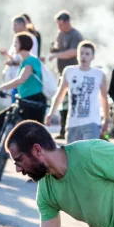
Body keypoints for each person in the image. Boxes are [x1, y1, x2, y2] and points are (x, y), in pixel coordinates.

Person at [0, 32, 48, 168]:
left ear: (23, 44)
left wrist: (1, 88)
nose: (14, 45)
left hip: (34, 102)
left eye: (16, 43)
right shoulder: (24, 61)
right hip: (23, 100)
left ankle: (37, 166)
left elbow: (21, 79)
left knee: (32, 136)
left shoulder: (31, 61)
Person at [47, 41, 108, 143]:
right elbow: (60, 94)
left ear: (92, 56)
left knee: (89, 153)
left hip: (92, 121)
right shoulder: (69, 71)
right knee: (72, 155)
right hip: (73, 122)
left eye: (87, 54)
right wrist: (51, 113)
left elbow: (104, 98)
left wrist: (106, 119)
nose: (83, 56)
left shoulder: (99, 74)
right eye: (81, 53)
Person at [49, 11, 83, 139]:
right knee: (62, 102)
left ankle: (75, 129)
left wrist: (56, 55)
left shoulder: (75, 35)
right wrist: (54, 51)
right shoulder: (60, 34)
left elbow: (72, 52)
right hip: (62, 73)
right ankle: (63, 129)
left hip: (74, 75)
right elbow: (58, 48)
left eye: (61, 24)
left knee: (73, 103)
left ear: (67, 22)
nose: (59, 27)